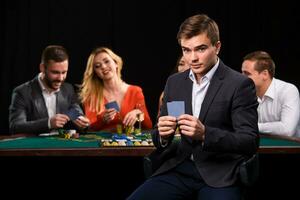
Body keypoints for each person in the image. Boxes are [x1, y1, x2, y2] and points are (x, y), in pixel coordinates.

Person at [127, 14, 259, 200]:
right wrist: (163, 135)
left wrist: (205, 134)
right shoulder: (174, 83)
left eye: (201, 49)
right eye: (186, 50)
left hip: (219, 174)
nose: (192, 58)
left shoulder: (239, 84)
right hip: (178, 169)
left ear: (217, 47)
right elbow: (158, 137)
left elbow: (249, 141)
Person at [9, 45, 90, 134]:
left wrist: (81, 120)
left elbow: (74, 111)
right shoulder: (22, 92)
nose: (60, 78)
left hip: (62, 145)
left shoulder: (68, 89)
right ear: (42, 68)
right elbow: (15, 127)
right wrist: (48, 123)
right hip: (35, 146)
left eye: (64, 72)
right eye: (55, 72)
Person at [79, 47, 152, 132]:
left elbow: (149, 126)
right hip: (101, 144)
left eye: (106, 61)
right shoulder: (91, 96)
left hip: (128, 143)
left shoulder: (135, 91)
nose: (103, 66)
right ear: (95, 73)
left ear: (116, 63)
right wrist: (102, 120)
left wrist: (138, 114)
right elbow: (89, 129)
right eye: (97, 66)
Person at [241, 51, 300, 137]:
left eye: (247, 73)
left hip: (289, 148)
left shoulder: (288, 90)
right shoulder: (243, 93)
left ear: (265, 74)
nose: (241, 77)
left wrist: (252, 126)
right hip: (258, 148)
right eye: (242, 72)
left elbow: (287, 130)